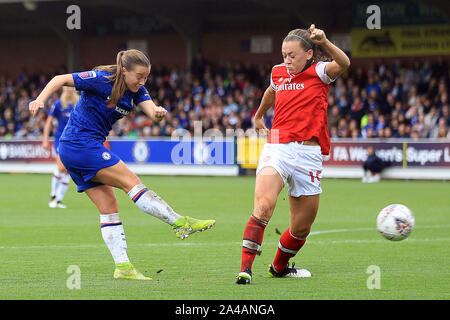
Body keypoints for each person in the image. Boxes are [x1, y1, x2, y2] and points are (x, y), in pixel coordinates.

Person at [29, 49, 215, 280]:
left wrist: (157, 113)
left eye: (146, 77)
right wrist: (40, 99)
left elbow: (151, 112)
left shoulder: (138, 90)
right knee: (132, 183)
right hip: (81, 145)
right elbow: (59, 79)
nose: (142, 81)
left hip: (76, 149)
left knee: (109, 207)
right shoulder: (100, 79)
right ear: (124, 71)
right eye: (139, 76)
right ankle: (179, 221)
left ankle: (123, 267)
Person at [235, 25, 350, 284]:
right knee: (263, 206)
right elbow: (272, 90)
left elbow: (344, 62)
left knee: (301, 228)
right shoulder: (278, 72)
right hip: (277, 146)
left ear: (309, 54)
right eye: (284, 54)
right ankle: (245, 269)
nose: (286, 60)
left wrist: (326, 42)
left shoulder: (320, 71)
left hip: (309, 153)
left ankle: (279, 267)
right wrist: (259, 114)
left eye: (292, 55)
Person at [42, 86, 79, 208]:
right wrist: (45, 139)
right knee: (62, 167)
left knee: (68, 170)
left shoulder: (79, 102)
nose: (69, 89)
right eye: (67, 87)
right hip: (60, 139)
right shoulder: (58, 104)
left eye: (71, 87)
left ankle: (58, 199)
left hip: (74, 140)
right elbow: (49, 122)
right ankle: (53, 195)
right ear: (63, 88)